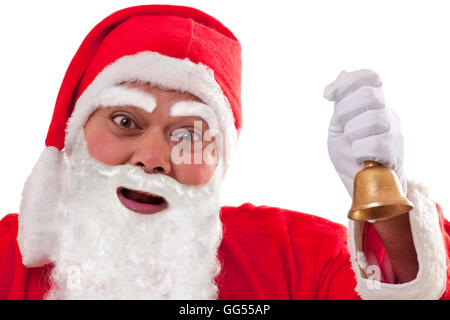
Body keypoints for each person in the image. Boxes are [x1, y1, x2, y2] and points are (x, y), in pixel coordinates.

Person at [0, 4, 449, 300]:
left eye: (190, 133)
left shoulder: (288, 257)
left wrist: (387, 205)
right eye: (125, 121)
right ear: (76, 133)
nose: (153, 157)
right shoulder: (5, 255)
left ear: (219, 161)